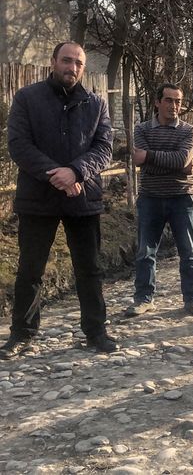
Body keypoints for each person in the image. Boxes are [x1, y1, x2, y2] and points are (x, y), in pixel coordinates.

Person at [0, 41, 117, 359]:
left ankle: (96, 331)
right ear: (53, 61)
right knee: (30, 269)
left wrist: (76, 172)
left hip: (82, 197)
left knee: (89, 268)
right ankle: (22, 334)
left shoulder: (96, 103)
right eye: (66, 60)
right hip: (38, 198)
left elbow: (104, 148)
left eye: (78, 63)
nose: (72, 67)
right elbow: (19, 145)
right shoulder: (27, 98)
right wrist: (57, 175)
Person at [127, 84, 193, 317]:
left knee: (188, 251)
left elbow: (181, 159)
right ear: (157, 102)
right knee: (145, 251)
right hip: (150, 197)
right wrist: (178, 166)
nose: (174, 106)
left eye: (178, 101)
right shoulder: (141, 129)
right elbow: (141, 161)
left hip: (181, 197)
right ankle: (143, 298)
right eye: (169, 100)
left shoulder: (189, 131)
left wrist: (150, 158)